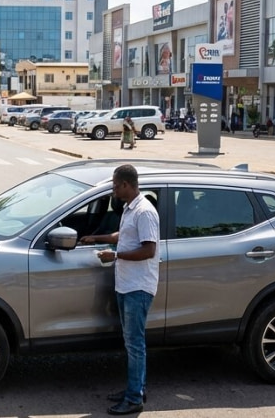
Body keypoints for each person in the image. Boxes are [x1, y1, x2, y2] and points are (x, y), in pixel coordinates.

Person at [80, 164, 160, 415]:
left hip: (138, 286)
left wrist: (115, 257)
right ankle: (135, 388)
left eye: (115, 186)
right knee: (131, 343)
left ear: (126, 184)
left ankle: (134, 397)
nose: (113, 190)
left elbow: (149, 250)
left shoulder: (145, 212)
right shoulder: (129, 208)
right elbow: (122, 235)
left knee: (135, 344)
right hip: (125, 284)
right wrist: (97, 238)